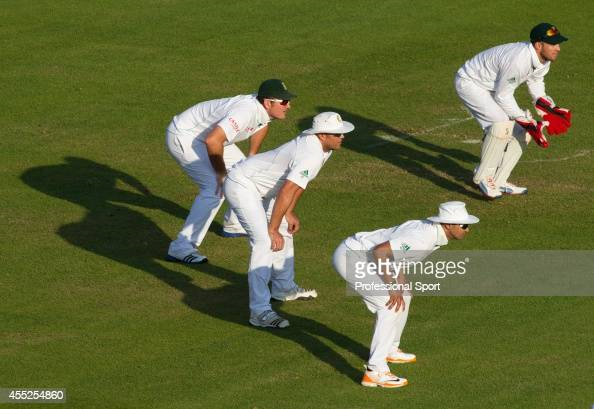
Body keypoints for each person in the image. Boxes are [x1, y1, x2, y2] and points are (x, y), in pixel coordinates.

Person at [223, 112, 355, 328]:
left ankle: (283, 288)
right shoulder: (311, 153)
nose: (342, 137)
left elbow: (298, 185)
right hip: (243, 185)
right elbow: (288, 189)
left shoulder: (324, 148)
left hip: (265, 189)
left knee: (284, 227)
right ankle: (259, 311)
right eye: (336, 134)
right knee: (264, 242)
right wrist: (273, 228)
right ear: (322, 135)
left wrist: (288, 213)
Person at [332, 201, 479, 388]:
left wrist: (399, 282)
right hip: (351, 257)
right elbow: (381, 251)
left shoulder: (433, 234)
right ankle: (375, 371)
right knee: (388, 303)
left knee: (405, 294)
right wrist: (392, 288)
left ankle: (390, 349)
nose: (467, 230)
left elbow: (396, 255)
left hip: (368, 257)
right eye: (464, 225)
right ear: (448, 225)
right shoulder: (422, 237)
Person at [165, 79, 296, 263]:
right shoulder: (245, 111)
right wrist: (220, 174)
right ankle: (181, 247)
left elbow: (262, 124)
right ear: (268, 103)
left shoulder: (262, 110)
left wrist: (251, 157)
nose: (288, 105)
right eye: (284, 102)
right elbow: (213, 141)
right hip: (186, 135)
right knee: (214, 189)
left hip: (207, 137)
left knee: (245, 174)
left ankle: (234, 224)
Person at [455, 23, 571, 199]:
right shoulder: (519, 60)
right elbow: (503, 96)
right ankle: (483, 177)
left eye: (558, 43)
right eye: (553, 44)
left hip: (493, 86)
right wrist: (523, 118)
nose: (558, 48)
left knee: (523, 132)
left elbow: (536, 83)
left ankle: (500, 180)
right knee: (501, 125)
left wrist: (549, 108)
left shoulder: (543, 60)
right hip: (471, 83)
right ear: (539, 45)